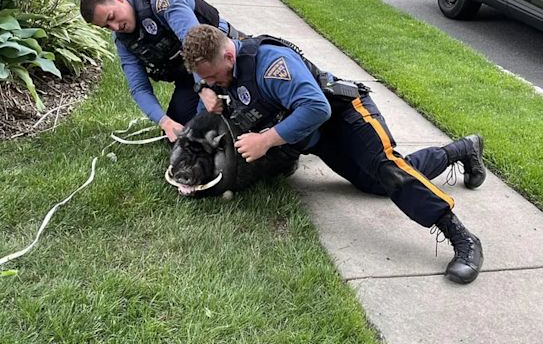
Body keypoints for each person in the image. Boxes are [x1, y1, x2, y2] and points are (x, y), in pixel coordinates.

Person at [181, 24, 486, 284]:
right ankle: (463, 149)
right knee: (377, 185)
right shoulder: (224, 68)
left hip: (347, 115)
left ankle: (463, 238)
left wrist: (267, 140)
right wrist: (205, 94)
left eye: (211, 77)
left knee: (388, 170)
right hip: (319, 136)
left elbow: (317, 107)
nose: (210, 83)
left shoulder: (272, 65)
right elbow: (218, 85)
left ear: (229, 57)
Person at [79, 0, 244, 141]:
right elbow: (139, 88)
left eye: (112, 17)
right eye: (107, 26)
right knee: (181, 129)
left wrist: (203, 90)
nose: (115, 27)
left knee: (223, 117)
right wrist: (165, 122)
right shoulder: (123, 41)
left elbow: (199, 48)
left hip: (222, 57)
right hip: (190, 75)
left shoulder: (162, 0)